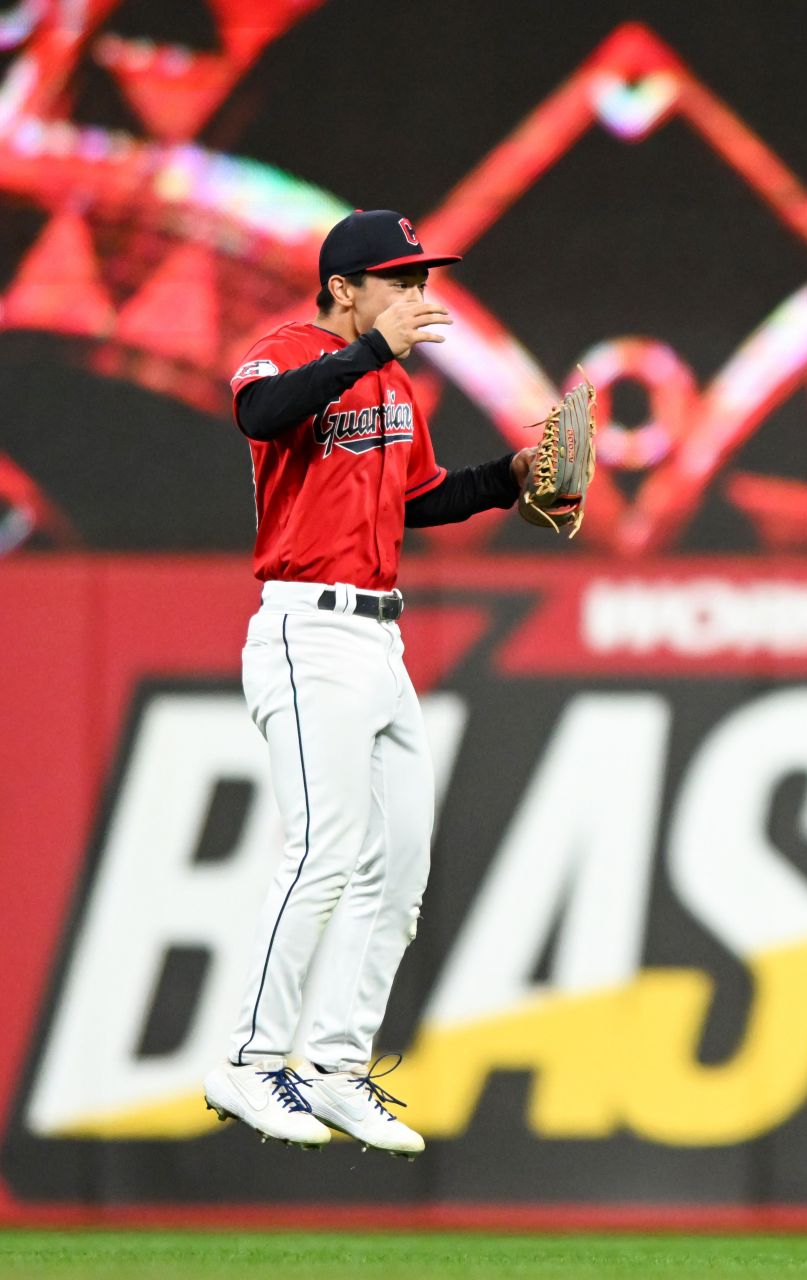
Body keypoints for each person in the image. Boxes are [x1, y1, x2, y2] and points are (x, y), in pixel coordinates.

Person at [201, 210, 535, 1157]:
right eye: (399, 278)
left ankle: (337, 1068)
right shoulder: (286, 350)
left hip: (380, 643)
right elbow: (260, 413)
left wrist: (510, 477)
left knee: (401, 869)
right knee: (326, 850)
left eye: (422, 277)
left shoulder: (394, 384)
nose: (418, 293)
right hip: (308, 630)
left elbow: (419, 498)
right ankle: (249, 1057)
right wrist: (367, 353)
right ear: (344, 288)